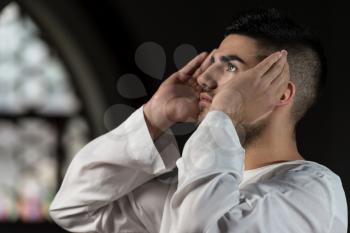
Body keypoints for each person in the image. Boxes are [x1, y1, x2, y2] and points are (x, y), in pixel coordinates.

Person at [49, 8, 348, 233]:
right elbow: (73, 207)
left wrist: (223, 116)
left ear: (281, 93)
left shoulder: (313, 193)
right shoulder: (185, 189)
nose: (203, 78)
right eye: (210, 64)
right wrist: (153, 117)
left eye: (230, 67)